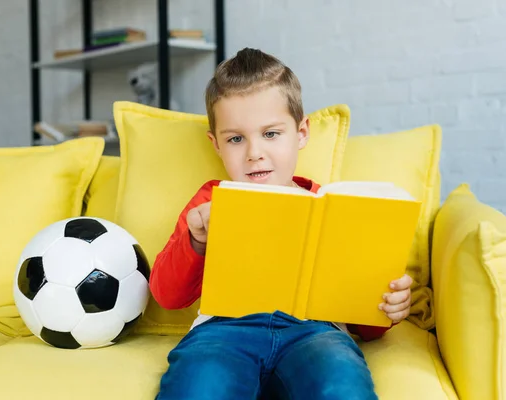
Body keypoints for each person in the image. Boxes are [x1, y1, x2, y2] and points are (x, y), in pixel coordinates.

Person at [150, 47, 413, 400]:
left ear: (301, 133)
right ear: (216, 144)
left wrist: (388, 307)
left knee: (341, 385)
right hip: (224, 331)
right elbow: (167, 295)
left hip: (316, 333)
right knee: (200, 385)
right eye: (236, 138)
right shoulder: (212, 201)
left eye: (271, 134)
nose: (254, 152)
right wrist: (196, 241)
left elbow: (368, 328)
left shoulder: (331, 207)